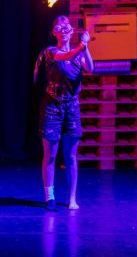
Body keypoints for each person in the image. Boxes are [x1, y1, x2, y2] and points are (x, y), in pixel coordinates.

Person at [33, 16, 94, 211]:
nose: (63, 30)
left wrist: (85, 47)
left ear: (71, 30)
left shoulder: (79, 53)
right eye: (59, 28)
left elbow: (91, 68)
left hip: (72, 108)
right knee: (50, 155)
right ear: (54, 33)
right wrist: (81, 46)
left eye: (66, 27)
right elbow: (65, 57)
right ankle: (49, 197)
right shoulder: (51, 51)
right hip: (52, 106)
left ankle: (72, 198)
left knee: (71, 157)